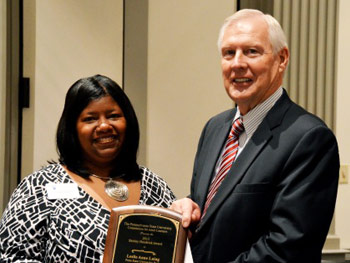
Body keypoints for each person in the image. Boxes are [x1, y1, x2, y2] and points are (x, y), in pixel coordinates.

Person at [170, 9, 339, 263]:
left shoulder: (309, 139)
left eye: (252, 51)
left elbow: (287, 251)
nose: (237, 63)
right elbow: (216, 211)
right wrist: (190, 210)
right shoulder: (214, 128)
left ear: (282, 59)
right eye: (229, 53)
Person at [0, 74, 176, 262]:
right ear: (72, 129)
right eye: (90, 119)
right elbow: (11, 258)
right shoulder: (39, 187)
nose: (104, 126)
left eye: (113, 116)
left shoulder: (154, 185)